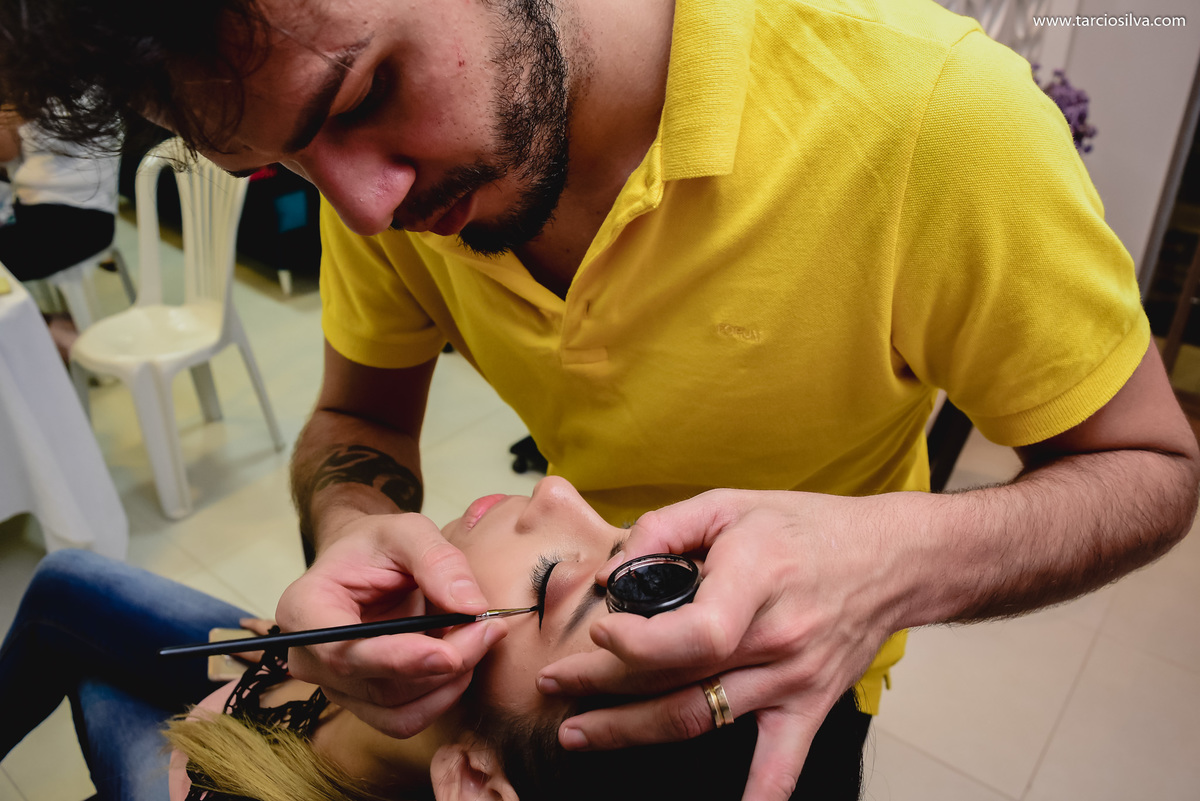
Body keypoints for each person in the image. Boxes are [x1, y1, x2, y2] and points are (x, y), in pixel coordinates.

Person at [1, 0, 1196, 798]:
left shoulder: (933, 117)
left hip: (789, 698)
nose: (362, 208)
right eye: (283, 162)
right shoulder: (391, 180)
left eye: (362, 95)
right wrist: (357, 533)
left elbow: (1153, 466)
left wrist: (900, 559)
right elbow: (359, 421)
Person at [1, 479, 782, 801]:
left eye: (550, 581)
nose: (557, 489)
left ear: (475, 780)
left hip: (206, 763)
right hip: (253, 689)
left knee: (89, 667)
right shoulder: (371, 657)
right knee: (66, 584)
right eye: (622, 532)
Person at [0, 112, 120, 355]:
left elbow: (5, 150)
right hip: (77, 213)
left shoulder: (32, 88)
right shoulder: (58, 83)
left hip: (72, 223)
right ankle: (45, 326)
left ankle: (48, 329)